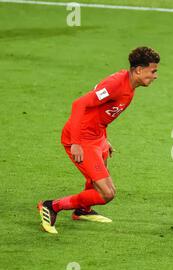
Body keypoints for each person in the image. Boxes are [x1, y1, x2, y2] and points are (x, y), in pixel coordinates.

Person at [37, 46, 160, 234]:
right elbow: (80, 104)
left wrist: (105, 139)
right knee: (107, 193)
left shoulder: (129, 85)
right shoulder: (116, 85)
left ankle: (82, 210)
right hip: (82, 138)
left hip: (97, 136)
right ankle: (52, 206)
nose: (155, 76)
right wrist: (76, 142)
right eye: (153, 71)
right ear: (138, 70)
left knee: (98, 184)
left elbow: (103, 114)